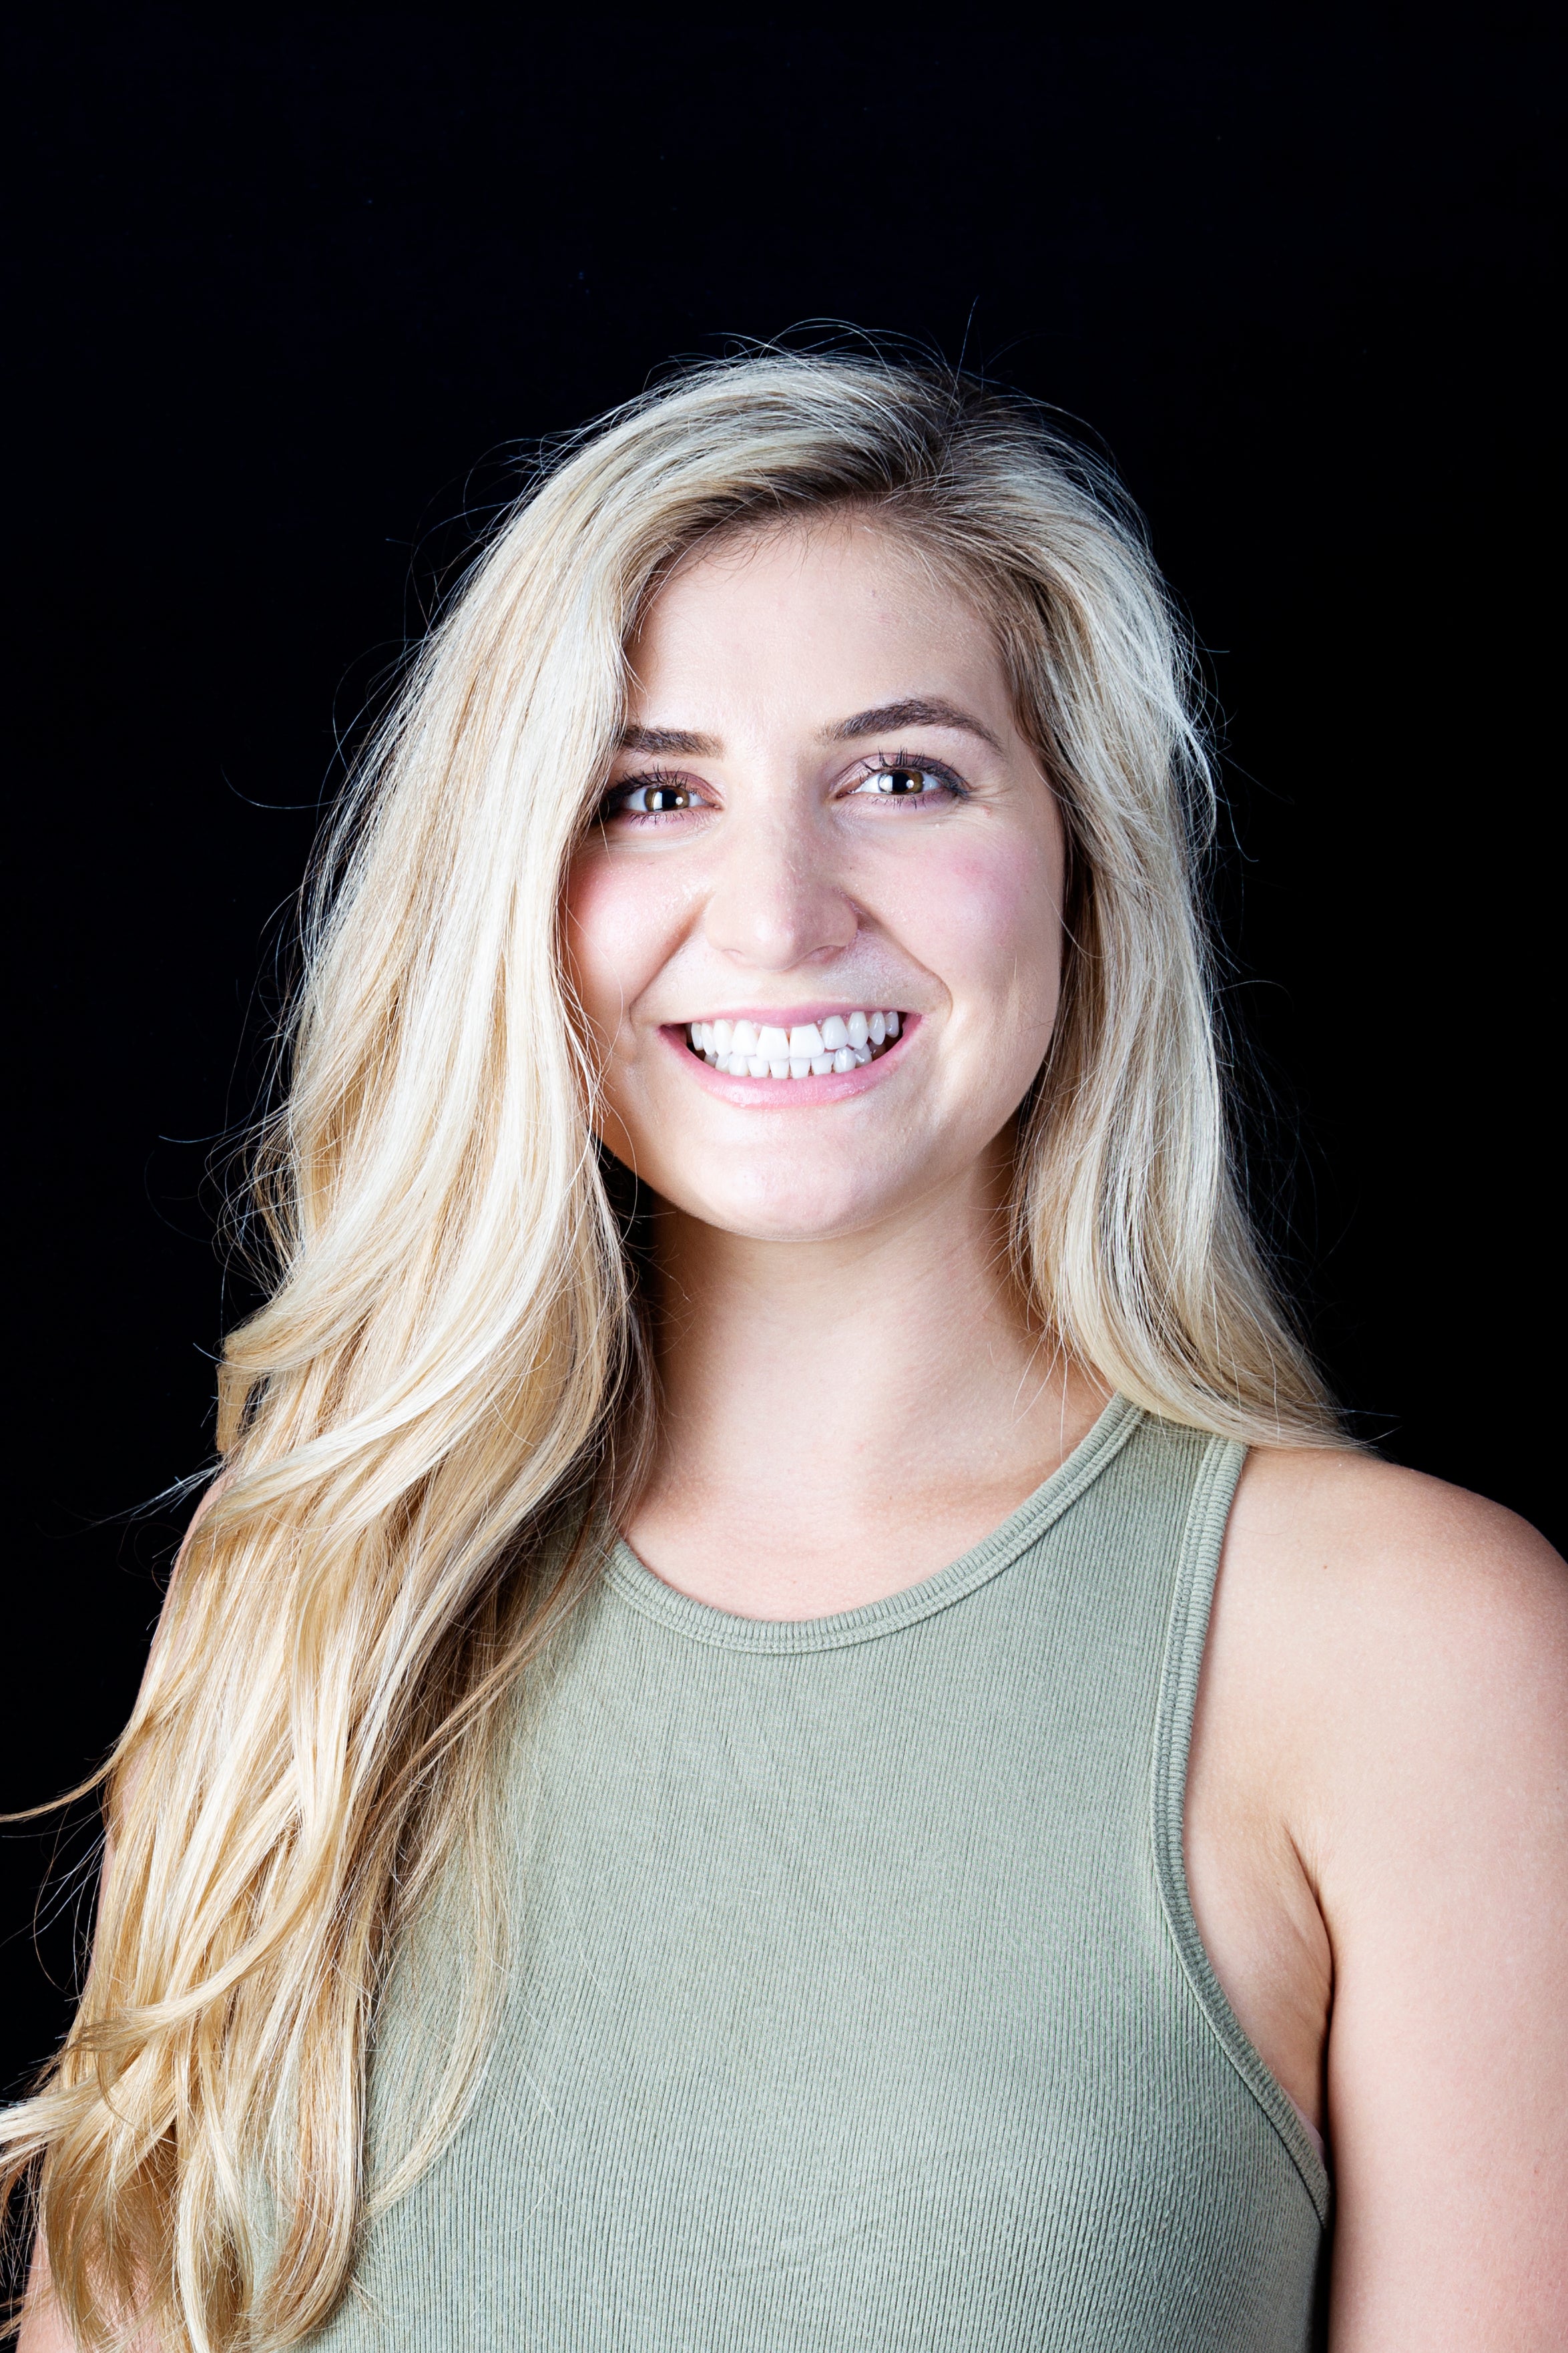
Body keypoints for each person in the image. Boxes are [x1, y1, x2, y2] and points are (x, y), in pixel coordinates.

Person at [7, 355, 1564, 2352]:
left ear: (1081, 859)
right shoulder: (310, 1594)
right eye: (649, 795)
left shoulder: (1410, 1647)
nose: (775, 914)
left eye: (903, 777)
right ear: (518, 900)